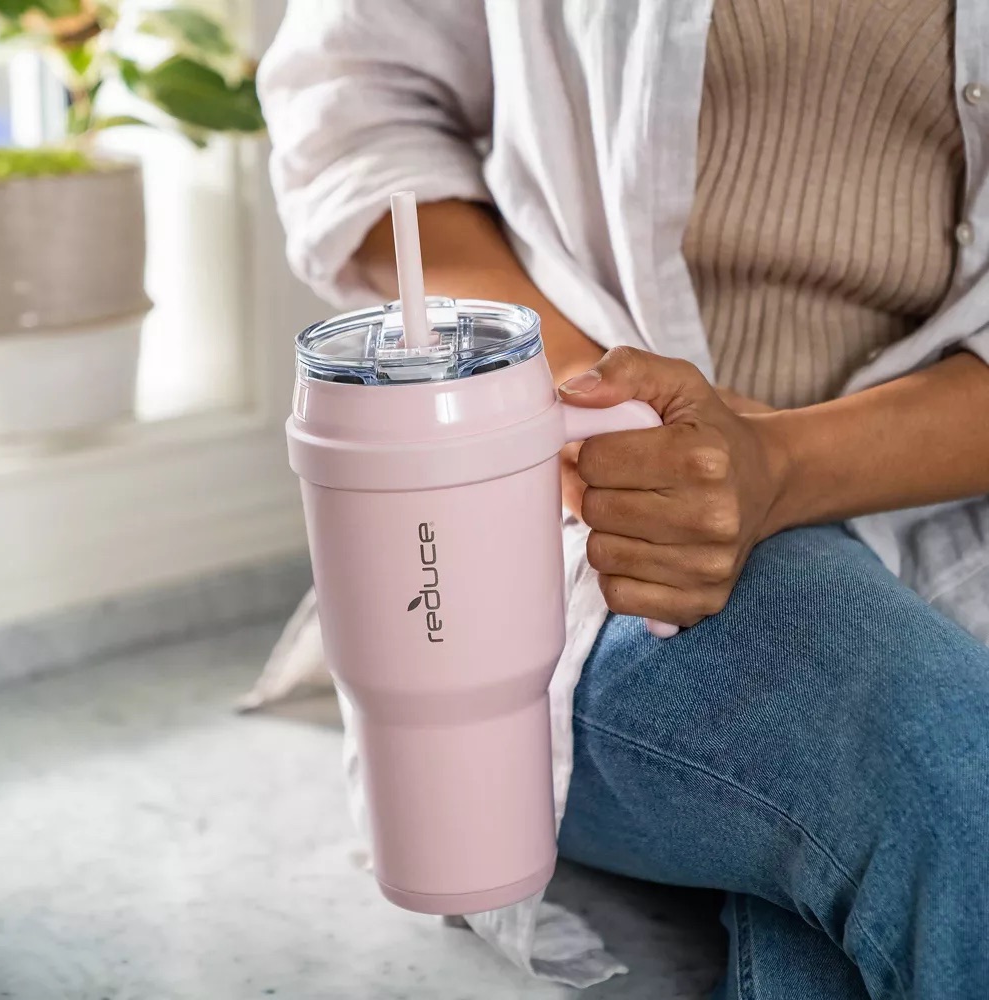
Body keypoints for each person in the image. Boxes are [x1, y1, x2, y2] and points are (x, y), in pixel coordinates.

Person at [258, 2, 989, 997]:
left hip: (945, 494)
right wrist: (572, 397)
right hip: (592, 535)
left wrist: (774, 464)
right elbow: (357, 102)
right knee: (940, 762)